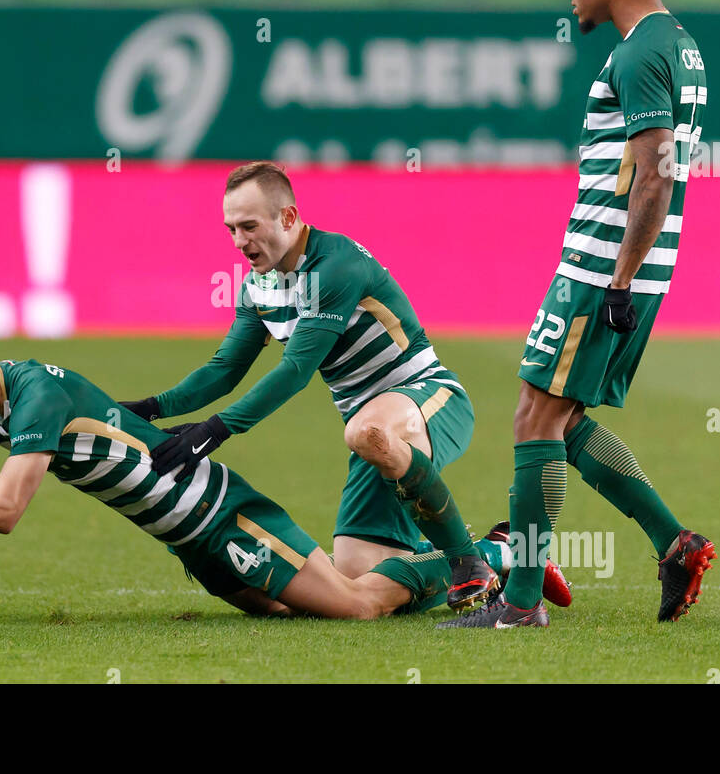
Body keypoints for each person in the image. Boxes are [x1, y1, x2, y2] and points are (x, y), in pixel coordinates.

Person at [0, 321, 486, 620]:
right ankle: (436, 571)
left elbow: (3, 514)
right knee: (291, 613)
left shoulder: (38, 398)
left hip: (223, 515)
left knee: (354, 608)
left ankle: (487, 556)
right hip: (188, 540)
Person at [440, 0, 715, 630]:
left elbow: (654, 177)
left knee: (535, 414)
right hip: (623, 266)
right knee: (561, 420)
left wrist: (619, 279)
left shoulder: (638, 55)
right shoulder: (679, 45)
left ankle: (521, 601)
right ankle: (673, 544)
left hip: (601, 269)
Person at [121, 161, 509, 611]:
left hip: (430, 400)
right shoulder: (257, 287)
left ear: (288, 218)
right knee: (353, 582)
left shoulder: (335, 266)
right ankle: (501, 553)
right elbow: (225, 368)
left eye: (249, 226)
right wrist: (150, 407)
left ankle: (467, 561)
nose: (239, 241)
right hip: (373, 433)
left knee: (364, 432)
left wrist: (215, 430)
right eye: (230, 229)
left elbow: (295, 369)